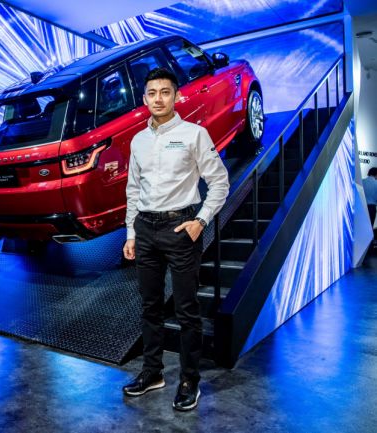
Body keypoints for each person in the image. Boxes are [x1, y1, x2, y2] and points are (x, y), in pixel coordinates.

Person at [122, 68, 229, 411]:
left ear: (177, 96)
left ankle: (189, 380)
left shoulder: (194, 134)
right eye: (152, 93)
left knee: (186, 311)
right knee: (150, 307)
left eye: (165, 92)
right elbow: (133, 189)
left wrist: (201, 220)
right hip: (145, 228)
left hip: (181, 228)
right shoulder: (138, 141)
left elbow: (220, 182)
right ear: (144, 99)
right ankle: (152, 373)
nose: (158, 98)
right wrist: (131, 232)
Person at [363, 167, 377, 245]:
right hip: (372, 208)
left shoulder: (362, 181)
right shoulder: (376, 183)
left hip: (362, 207)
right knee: (369, 227)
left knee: (361, 227)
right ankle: (368, 246)